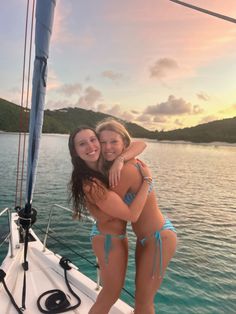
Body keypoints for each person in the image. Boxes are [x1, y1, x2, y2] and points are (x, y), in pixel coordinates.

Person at [96, 119, 177, 314]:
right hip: (149, 238)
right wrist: (120, 159)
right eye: (102, 142)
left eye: (113, 142)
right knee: (141, 298)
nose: (107, 147)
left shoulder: (124, 171)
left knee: (143, 302)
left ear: (124, 143)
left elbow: (110, 213)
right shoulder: (126, 162)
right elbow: (141, 144)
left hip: (158, 239)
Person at [68, 126, 152, 314]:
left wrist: (120, 159)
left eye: (93, 139)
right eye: (82, 144)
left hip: (113, 238)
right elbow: (132, 215)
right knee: (110, 295)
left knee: (110, 293)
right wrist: (147, 182)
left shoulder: (105, 167)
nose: (90, 146)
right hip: (108, 240)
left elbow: (141, 143)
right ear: (75, 151)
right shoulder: (91, 183)